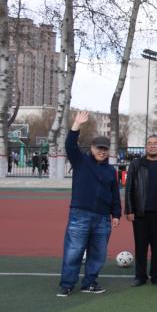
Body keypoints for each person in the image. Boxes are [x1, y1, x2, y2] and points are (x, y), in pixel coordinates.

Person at [57, 111, 121, 297]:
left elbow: (115, 195)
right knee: (74, 251)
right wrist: (76, 125)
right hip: (80, 215)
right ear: (92, 148)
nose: (102, 151)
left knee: (98, 254)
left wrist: (116, 214)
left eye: (105, 149)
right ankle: (67, 284)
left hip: (103, 218)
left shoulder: (111, 171)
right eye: (99, 148)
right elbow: (70, 145)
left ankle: (90, 283)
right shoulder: (81, 161)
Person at [124, 134, 157, 287]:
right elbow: (129, 188)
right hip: (140, 213)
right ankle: (140, 276)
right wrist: (129, 209)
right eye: (150, 143)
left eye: (155, 143)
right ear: (146, 146)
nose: (152, 145)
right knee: (140, 246)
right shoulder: (136, 164)